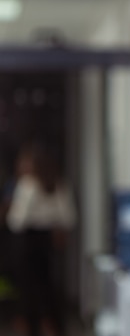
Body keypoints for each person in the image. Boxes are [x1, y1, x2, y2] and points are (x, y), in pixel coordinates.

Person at [6, 141, 76, 336]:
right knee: (46, 284)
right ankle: (50, 324)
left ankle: (31, 324)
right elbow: (69, 217)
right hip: (48, 242)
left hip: (27, 241)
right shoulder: (58, 184)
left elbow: (16, 220)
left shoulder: (27, 185)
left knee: (28, 286)